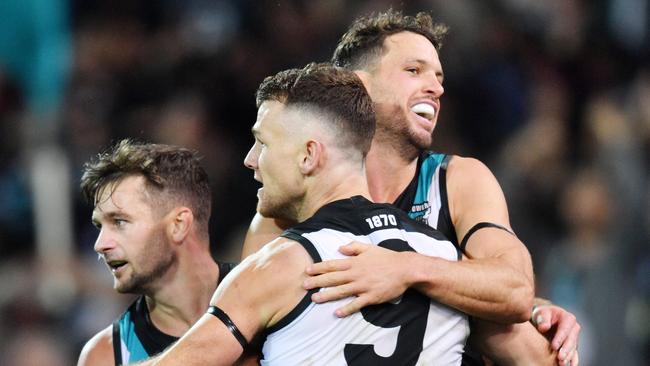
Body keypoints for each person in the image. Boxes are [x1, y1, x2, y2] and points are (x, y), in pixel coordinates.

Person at [241, 9, 580, 366]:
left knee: (519, 337)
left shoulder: (457, 179)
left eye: (438, 76)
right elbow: (245, 336)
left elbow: (515, 291)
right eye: (414, 71)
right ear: (359, 85)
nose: (436, 88)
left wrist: (406, 270)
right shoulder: (294, 196)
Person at [133, 63, 517, 365]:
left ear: (308, 155)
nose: (250, 160)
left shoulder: (279, 267)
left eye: (262, 143)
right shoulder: (444, 258)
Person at [76, 140, 236, 365]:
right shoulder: (104, 357)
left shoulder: (269, 295)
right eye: (99, 226)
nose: (100, 245)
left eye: (119, 222)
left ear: (178, 225)